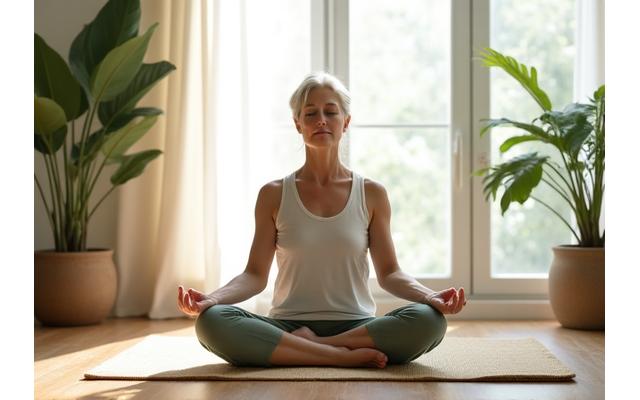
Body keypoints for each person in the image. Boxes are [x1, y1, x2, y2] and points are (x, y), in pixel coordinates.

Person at [177, 72, 467, 369]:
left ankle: (311, 348)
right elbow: (254, 275)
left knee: (429, 320)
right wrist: (211, 299)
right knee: (211, 322)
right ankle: (340, 357)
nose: (321, 120)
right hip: (287, 326)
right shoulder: (273, 194)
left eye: (331, 112)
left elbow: (390, 273)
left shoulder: (372, 194)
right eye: (310, 113)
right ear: (297, 124)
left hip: (357, 326)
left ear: (346, 122)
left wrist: (432, 297)